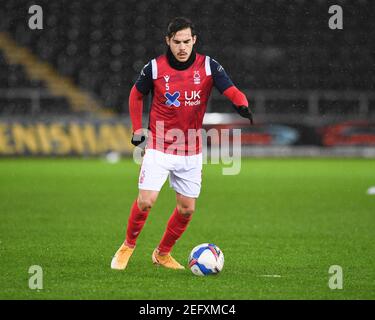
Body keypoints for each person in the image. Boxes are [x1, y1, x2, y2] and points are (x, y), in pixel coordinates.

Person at [111, 17, 253, 270]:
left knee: (187, 209)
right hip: (159, 145)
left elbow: (229, 88)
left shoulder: (209, 66)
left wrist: (241, 103)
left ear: (194, 40)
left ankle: (162, 254)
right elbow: (136, 95)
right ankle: (128, 246)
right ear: (168, 41)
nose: (182, 47)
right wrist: (137, 131)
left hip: (191, 149)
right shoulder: (154, 68)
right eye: (176, 42)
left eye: (187, 41)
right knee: (146, 200)